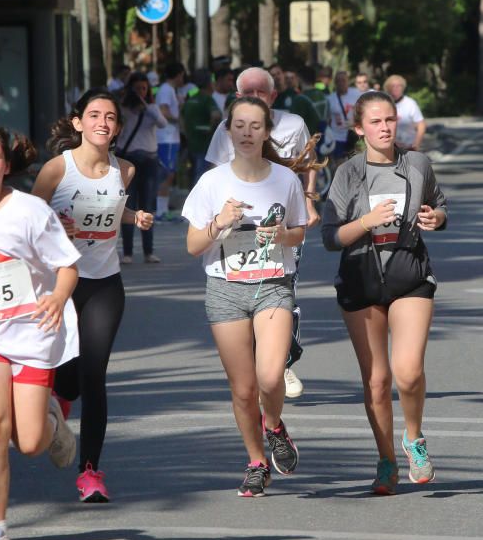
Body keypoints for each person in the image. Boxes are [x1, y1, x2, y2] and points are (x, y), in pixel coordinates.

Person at [183, 96, 320, 497]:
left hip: (274, 284)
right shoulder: (212, 183)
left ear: (266, 132)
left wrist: (280, 235)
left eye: (255, 126)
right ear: (228, 131)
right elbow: (192, 246)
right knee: (243, 389)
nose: (246, 132)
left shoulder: (284, 179)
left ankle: (274, 424)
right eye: (239, 125)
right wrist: (220, 223)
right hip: (225, 289)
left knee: (270, 375)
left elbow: (298, 232)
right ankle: (256, 462)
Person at [321, 90, 447, 495]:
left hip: (410, 275)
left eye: (389, 119)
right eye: (375, 122)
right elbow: (330, 237)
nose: (385, 127)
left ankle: (414, 439)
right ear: (359, 129)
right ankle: (387, 460)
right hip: (361, 280)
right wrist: (366, 221)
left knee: (408, 372)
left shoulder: (417, 164)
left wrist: (436, 217)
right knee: (376, 381)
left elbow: (439, 206)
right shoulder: (348, 173)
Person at [32, 89, 153, 503]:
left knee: (94, 376)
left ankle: (90, 472)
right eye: (95, 115)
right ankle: (57, 401)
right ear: (78, 123)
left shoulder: (126, 170)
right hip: (60, 285)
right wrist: (53, 228)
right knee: (70, 375)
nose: (103, 122)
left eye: (111, 117)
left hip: (105, 284)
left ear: (117, 128)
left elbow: (110, 205)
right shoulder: (56, 169)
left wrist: (134, 215)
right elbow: (27, 221)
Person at [0, 126, 80, 540]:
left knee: (32, 442)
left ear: (7, 164)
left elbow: (67, 266)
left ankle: (52, 421)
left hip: (32, 332)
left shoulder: (30, 211)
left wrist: (57, 298)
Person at [205, 67, 321, 398]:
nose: (255, 98)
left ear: (273, 96)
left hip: (282, 224)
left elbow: (308, 166)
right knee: (244, 293)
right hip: (238, 233)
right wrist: (217, 220)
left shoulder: (293, 124)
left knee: (284, 288)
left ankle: (280, 362)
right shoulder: (225, 130)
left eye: (261, 93)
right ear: (237, 97)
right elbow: (214, 175)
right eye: (248, 93)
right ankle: (258, 364)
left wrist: (309, 205)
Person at [116, 72, 167, 264]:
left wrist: (146, 105)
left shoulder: (151, 108)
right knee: (128, 205)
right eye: (137, 88)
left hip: (148, 160)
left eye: (144, 89)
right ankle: (127, 252)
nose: (141, 92)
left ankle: (148, 251)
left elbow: (162, 123)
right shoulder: (124, 109)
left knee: (147, 205)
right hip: (128, 159)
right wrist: (129, 104)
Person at [155, 62, 186, 220]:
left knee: (170, 173)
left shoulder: (170, 90)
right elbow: (163, 111)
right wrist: (177, 120)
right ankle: (160, 211)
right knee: (166, 174)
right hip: (166, 138)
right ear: (178, 74)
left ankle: (163, 209)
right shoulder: (166, 90)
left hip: (171, 138)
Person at [181, 69, 221, 187]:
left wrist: (187, 132)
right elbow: (216, 115)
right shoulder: (208, 99)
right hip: (205, 144)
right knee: (201, 175)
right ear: (209, 83)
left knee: (193, 173)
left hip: (191, 143)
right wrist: (211, 127)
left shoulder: (191, 99)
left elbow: (181, 117)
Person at [383, 75, 426, 150]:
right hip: (388, 147)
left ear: (403, 88)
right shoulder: (383, 103)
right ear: (388, 88)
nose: (396, 88)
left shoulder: (410, 103)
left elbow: (421, 125)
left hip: (408, 147)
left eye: (399, 86)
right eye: (393, 86)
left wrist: (416, 145)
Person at [327, 71, 360, 162]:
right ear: (335, 83)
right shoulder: (330, 99)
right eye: (338, 81)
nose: (341, 83)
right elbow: (328, 119)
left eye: (343, 80)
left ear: (348, 81)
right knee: (340, 165)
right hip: (337, 137)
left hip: (354, 136)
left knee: (357, 163)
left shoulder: (356, 94)